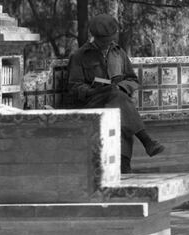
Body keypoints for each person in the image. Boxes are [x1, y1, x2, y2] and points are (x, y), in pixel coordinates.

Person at [67, 13, 166, 173]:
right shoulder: (79, 56)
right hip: (93, 102)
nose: (108, 44)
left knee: (118, 104)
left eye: (110, 40)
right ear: (95, 37)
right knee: (118, 101)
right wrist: (92, 90)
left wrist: (122, 87)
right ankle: (146, 140)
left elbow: (133, 79)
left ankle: (124, 167)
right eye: (104, 41)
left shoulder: (119, 54)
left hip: (116, 103)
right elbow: (74, 86)